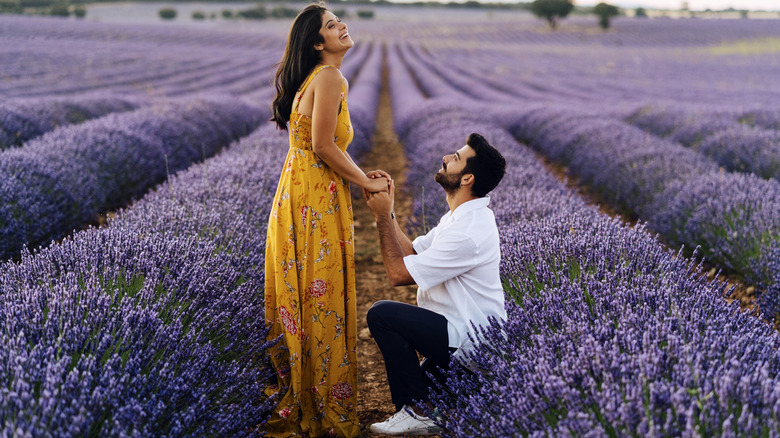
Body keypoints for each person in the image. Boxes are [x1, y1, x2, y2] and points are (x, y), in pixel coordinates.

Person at [264, 4, 390, 437]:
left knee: (301, 296)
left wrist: (359, 173)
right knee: (322, 298)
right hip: (315, 200)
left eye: (340, 21)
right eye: (332, 25)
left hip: (296, 194)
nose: (343, 27)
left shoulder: (312, 79)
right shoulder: (331, 77)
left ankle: (302, 396)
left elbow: (320, 145)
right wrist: (365, 184)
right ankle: (322, 409)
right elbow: (322, 145)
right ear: (318, 43)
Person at [363, 133, 507, 436]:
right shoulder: (459, 218)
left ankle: (418, 411)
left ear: (467, 178)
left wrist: (379, 218)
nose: (445, 157)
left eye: (455, 157)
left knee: (382, 315)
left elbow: (398, 274)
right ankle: (444, 404)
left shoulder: (468, 231)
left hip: (472, 351)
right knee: (431, 389)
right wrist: (388, 210)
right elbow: (414, 253)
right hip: (461, 341)